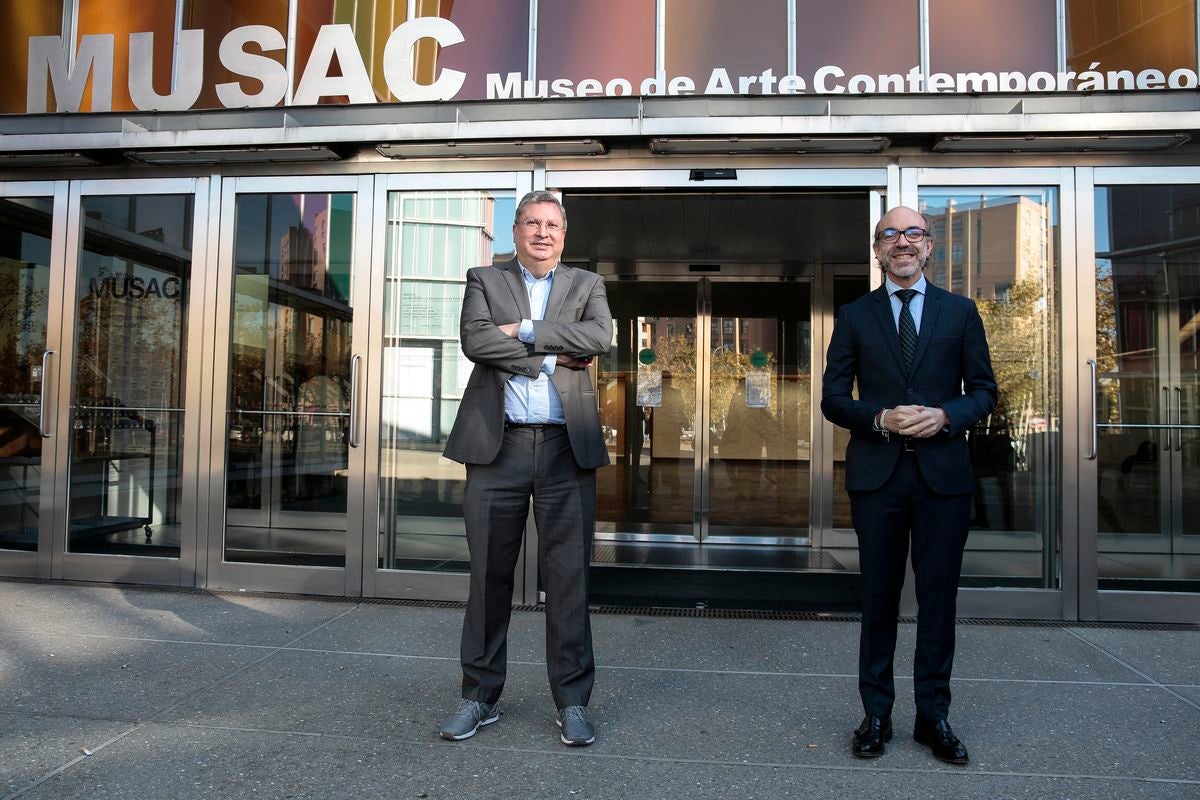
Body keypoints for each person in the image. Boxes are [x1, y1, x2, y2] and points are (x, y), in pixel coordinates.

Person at [821, 205, 996, 765]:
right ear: (877, 249)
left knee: (939, 600)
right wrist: (878, 419)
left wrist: (947, 416)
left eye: (912, 234)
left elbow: (985, 391)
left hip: (944, 480)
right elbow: (833, 398)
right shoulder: (853, 315)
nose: (902, 243)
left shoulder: (961, 311)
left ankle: (932, 717)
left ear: (929, 246)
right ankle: (876, 714)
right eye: (891, 235)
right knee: (877, 599)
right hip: (879, 479)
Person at [438, 190, 613, 747]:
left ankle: (573, 703)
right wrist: (551, 357)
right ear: (516, 231)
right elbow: (475, 341)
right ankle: (480, 696)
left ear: (565, 235)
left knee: (569, 580)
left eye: (552, 225)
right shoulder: (484, 279)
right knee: (488, 577)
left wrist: (525, 331)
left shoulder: (586, 285)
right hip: (498, 447)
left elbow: (599, 336)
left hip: (567, 449)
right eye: (533, 223)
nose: (543, 233)